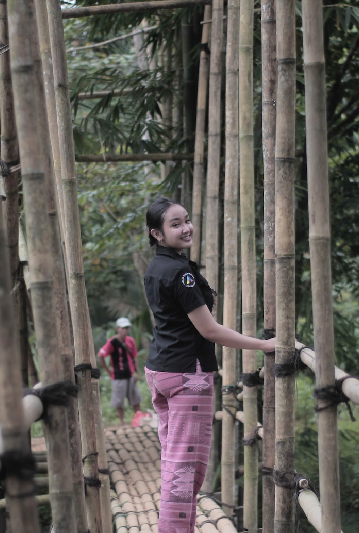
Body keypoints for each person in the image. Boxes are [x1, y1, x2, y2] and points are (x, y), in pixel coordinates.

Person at [143, 197, 276, 533]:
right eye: (175, 224)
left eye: (186, 220)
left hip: (160, 371)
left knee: (175, 464)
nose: (186, 228)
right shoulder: (180, 273)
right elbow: (210, 329)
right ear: (157, 234)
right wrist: (263, 345)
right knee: (186, 470)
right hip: (189, 376)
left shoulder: (156, 267)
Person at [97, 316, 142, 426]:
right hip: (118, 375)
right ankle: (122, 422)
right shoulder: (112, 342)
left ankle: (138, 419)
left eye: (127, 328)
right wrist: (108, 370)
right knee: (119, 401)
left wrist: (138, 372)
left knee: (136, 398)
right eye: (123, 328)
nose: (125, 330)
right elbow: (101, 355)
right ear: (118, 329)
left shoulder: (130, 341)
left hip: (130, 374)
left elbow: (134, 357)